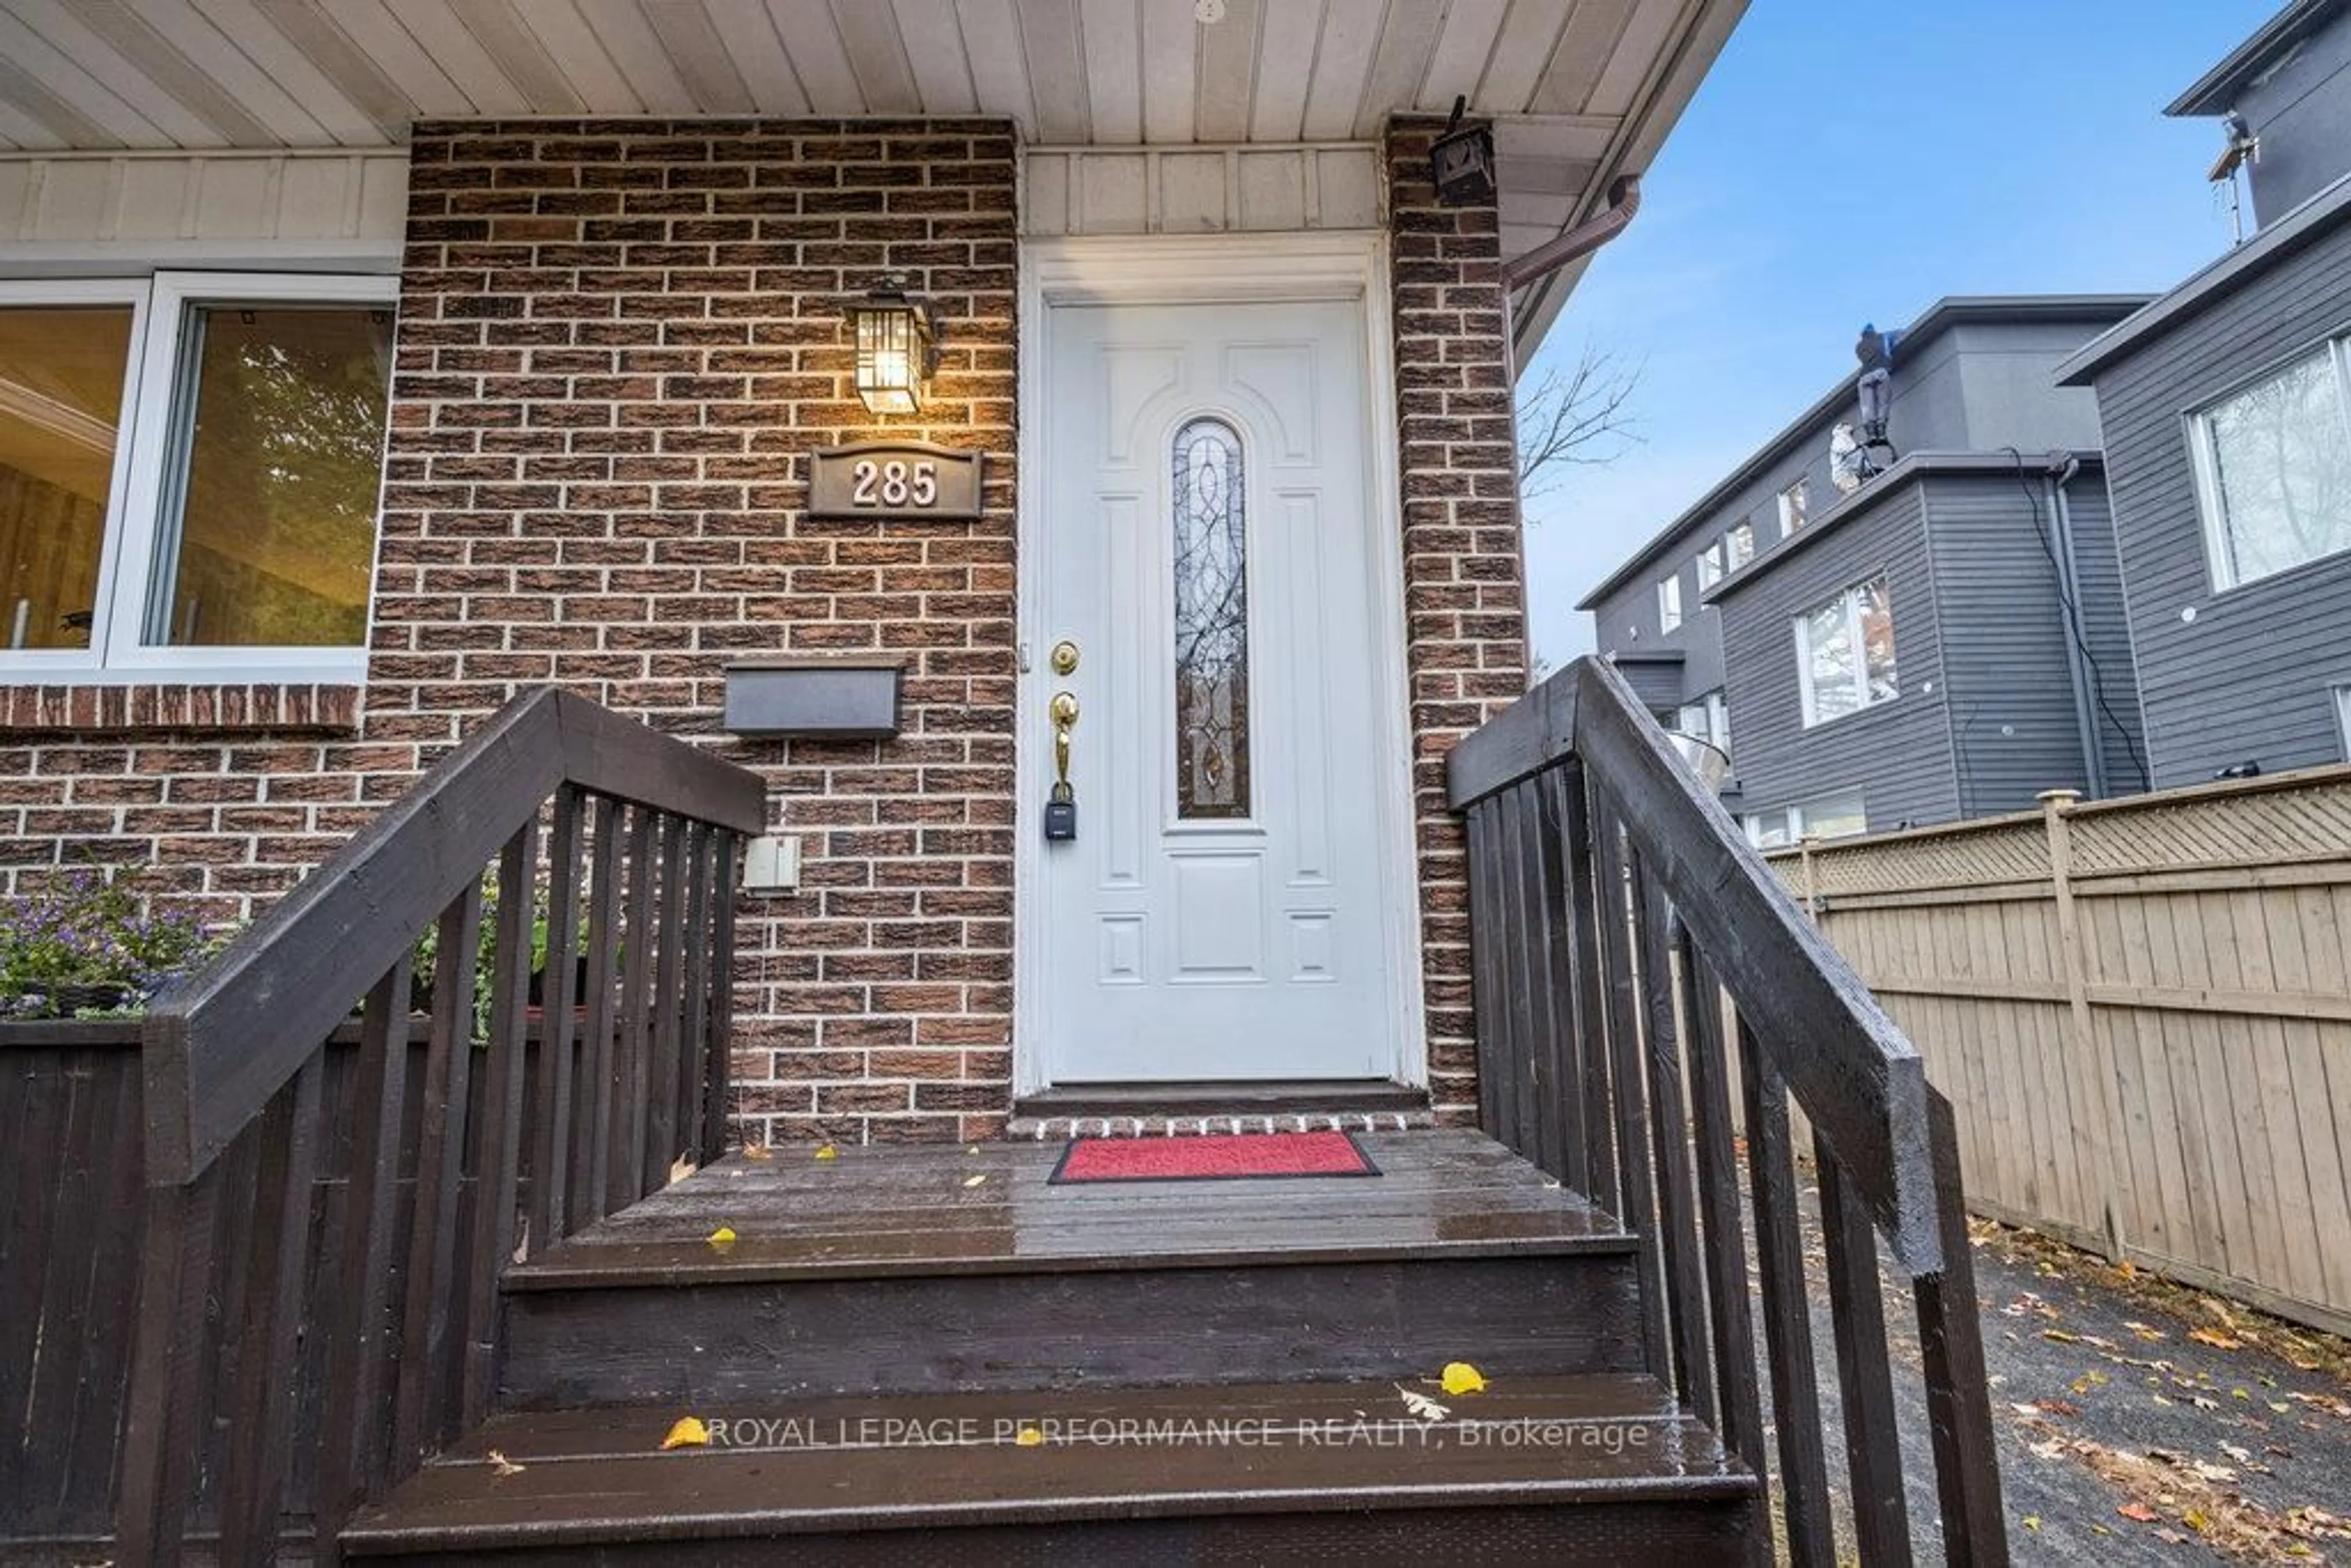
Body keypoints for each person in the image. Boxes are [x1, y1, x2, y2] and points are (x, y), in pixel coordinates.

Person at [1854, 321, 1896, 443]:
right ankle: (1881, 432)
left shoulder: (1859, 346)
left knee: (1867, 406)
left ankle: (1871, 434)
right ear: (1874, 331)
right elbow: (1898, 336)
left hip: (1865, 377)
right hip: (1881, 372)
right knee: (1883, 402)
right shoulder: (1884, 337)